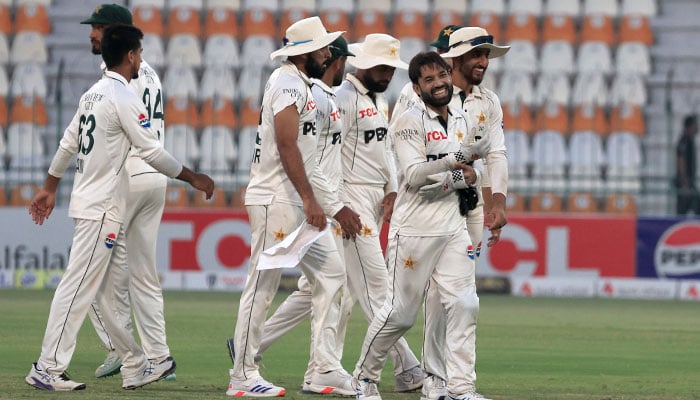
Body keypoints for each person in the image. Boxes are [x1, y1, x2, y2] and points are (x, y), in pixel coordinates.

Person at [25, 24, 214, 392]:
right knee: (78, 289)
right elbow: (152, 150)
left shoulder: (93, 94)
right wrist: (193, 178)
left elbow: (68, 141)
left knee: (93, 290)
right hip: (103, 208)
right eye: (139, 53)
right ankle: (47, 367)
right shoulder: (124, 97)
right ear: (130, 55)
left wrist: (50, 185)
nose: (141, 59)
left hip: (92, 202)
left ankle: (135, 364)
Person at [227, 16, 362, 397]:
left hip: (296, 202)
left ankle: (322, 369)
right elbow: (287, 146)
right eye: (322, 48)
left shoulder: (299, 84)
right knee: (262, 287)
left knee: (333, 276)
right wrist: (310, 198)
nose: (327, 53)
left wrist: (320, 201)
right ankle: (242, 376)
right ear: (306, 53)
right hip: (278, 200)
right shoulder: (287, 84)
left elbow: (305, 153)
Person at [352, 51, 488, 400]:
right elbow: (413, 177)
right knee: (400, 315)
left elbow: (479, 167)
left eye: (442, 75)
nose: (439, 83)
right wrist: (457, 166)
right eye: (428, 80)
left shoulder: (462, 115)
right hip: (413, 230)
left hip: (452, 227)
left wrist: (469, 173)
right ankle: (364, 379)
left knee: (464, 304)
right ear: (417, 86)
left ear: (449, 74)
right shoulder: (409, 120)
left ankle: (458, 388)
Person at [392, 26, 510, 400]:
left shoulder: (487, 101)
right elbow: (402, 151)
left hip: (468, 207)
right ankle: (432, 378)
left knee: (460, 297)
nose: (483, 62)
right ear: (454, 58)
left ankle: (456, 385)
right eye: (477, 54)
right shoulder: (416, 97)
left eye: (486, 55)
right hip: (426, 206)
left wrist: (497, 202)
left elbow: (496, 154)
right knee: (411, 303)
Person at [78, 3, 173, 380]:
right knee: (143, 275)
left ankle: (123, 350)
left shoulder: (118, 74)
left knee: (91, 271)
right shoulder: (150, 72)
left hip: (127, 179)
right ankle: (158, 357)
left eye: (98, 28)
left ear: (116, 32)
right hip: (154, 179)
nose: (91, 34)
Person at [334, 33, 424, 392]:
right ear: (362, 63)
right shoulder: (343, 98)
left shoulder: (378, 99)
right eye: (382, 67)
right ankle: (407, 367)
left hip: (374, 199)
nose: (388, 74)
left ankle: (252, 347)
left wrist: (391, 189)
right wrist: (338, 204)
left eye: (391, 68)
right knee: (377, 289)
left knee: (336, 290)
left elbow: (385, 149)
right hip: (350, 199)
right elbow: (327, 154)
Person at [675, 114, 699, 215]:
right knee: (683, 209)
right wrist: (684, 181)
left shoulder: (690, 140)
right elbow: (680, 160)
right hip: (685, 182)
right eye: (695, 125)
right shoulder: (684, 141)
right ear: (689, 127)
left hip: (689, 181)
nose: (697, 127)